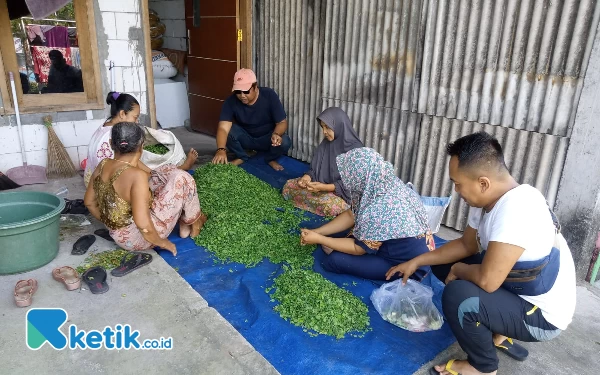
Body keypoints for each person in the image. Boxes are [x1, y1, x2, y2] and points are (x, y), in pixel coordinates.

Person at [386, 132, 576, 375]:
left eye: (457, 183)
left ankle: (483, 367)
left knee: (459, 295)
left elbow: (488, 281)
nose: (456, 190)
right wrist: (417, 260)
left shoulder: (516, 209)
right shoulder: (489, 199)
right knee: (446, 263)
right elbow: (466, 245)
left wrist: (459, 270)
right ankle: (497, 330)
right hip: (520, 287)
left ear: (483, 183)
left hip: (542, 317)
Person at [299, 147, 435, 281]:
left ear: (359, 177)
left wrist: (321, 239)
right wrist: (318, 232)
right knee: (332, 234)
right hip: (394, 242)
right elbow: (350, 215)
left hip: (408, 263)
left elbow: (358, 248)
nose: (346, 181)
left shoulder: (379, 208)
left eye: (349, 177)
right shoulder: (379, 182)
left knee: (335, 260)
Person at [84, 123, 207, 255]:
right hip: (137, 239)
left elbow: (89, 202)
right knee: (183, 178)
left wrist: (112, 223)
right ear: (142, 146)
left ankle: (186, 220)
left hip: (117, 233)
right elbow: (144, 227)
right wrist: (164, 243)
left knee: (165, 171)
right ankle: (193, 222)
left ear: (111, 143)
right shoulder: (137, 176)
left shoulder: (103, 164)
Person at [84, 92, 198, 187]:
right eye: (135, 117)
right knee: (154, 181)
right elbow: (129, 165)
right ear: (122, 114)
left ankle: (171, 171)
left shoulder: (105, 127)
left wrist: (151, 172)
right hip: (106, 184)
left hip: (92, 179)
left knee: (148, 171)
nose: (137, 122)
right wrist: (150, 174)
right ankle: (179, 169)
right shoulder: (114, 135)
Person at [282, 107, 363, 217]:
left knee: (331, 207)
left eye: (328, 127)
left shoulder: (356, 150)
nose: (324, 132)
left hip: (343, 195)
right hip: (321, 186)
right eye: (323, 127)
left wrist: (324, 188)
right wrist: (307, 178)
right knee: (289, 186)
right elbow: (315, 170)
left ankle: (342, 212)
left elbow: (353, 185)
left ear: (339, 125)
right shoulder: (326, 143)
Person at [212, 68, 291, 171]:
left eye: (246, 91)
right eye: (238, 92)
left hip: (267, 139)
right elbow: (223, 128)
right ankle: (242, 157)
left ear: (255, 87)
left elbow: (282, 122)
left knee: (285, 141)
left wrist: (276, 134)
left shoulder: (269, 95)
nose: (242, 96)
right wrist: (221, 150)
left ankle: (269, 159)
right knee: (228, 132)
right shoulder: (230, 101)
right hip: (246, 138)